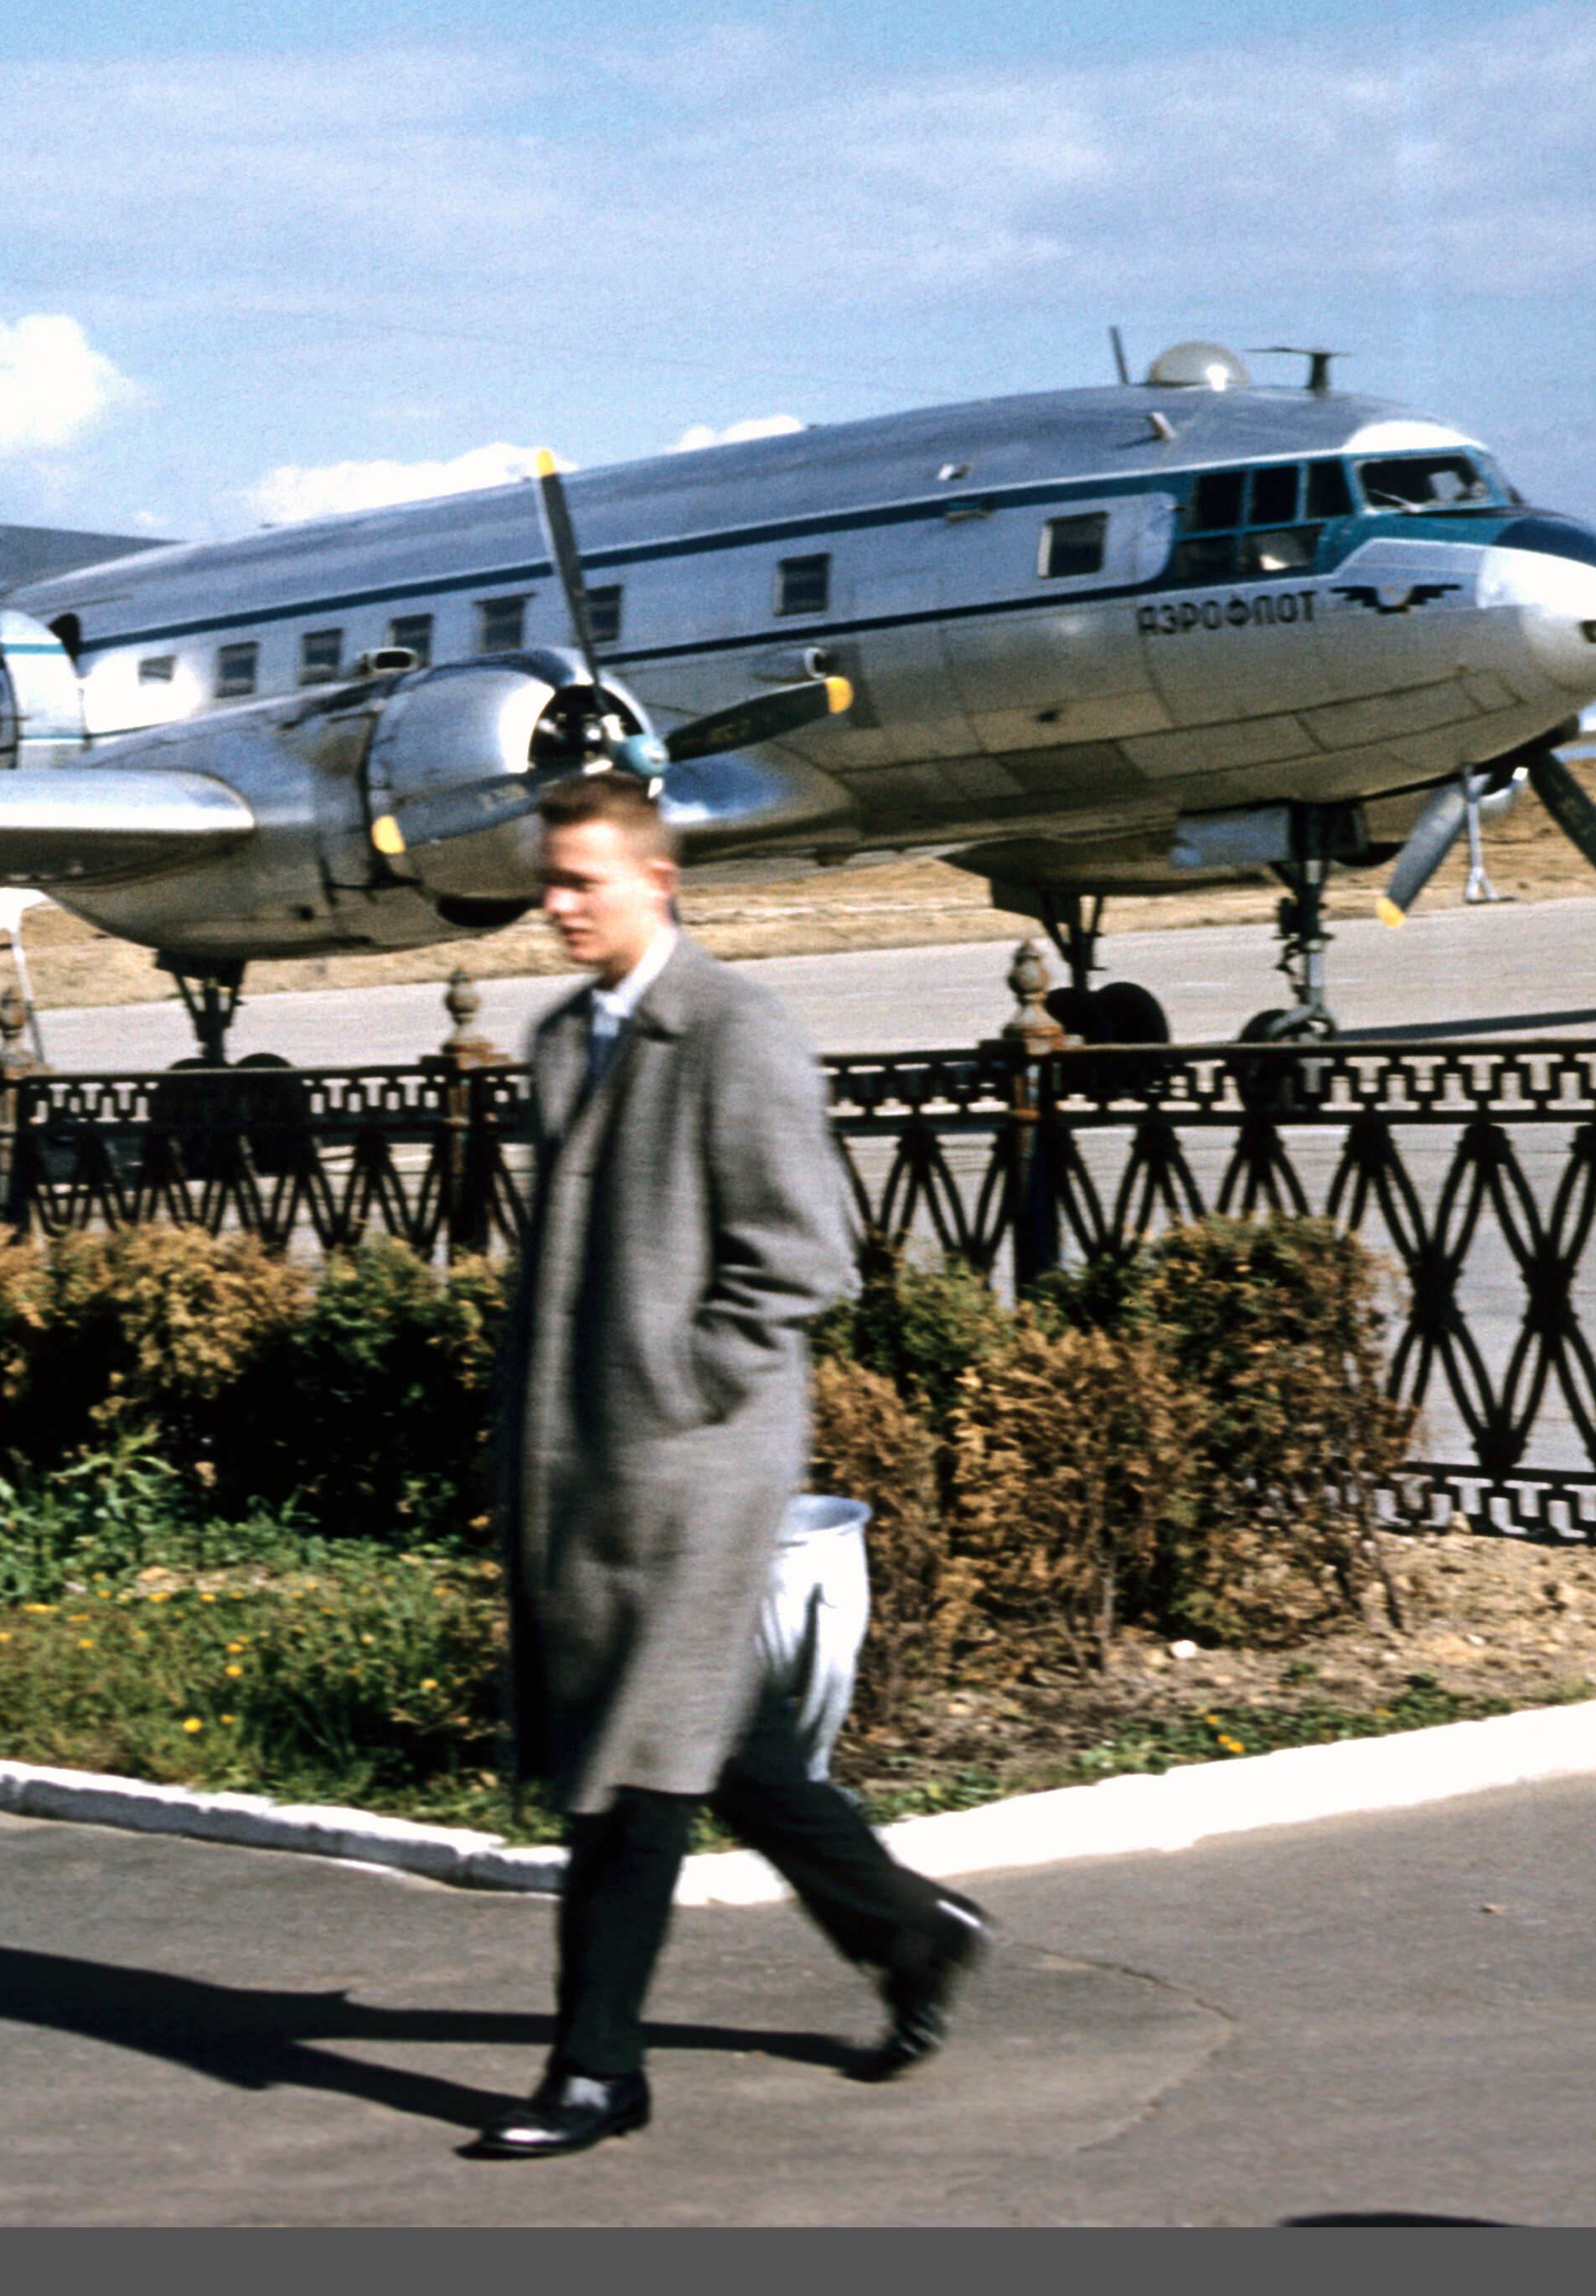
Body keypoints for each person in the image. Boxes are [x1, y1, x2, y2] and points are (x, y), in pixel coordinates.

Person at [467, 768, 987, 2163]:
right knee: (728, 1750)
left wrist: (677, 1383)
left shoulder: (737, 1032)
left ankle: (593, 2073)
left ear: (659, 879)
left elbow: (802, 1257)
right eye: (548, 878)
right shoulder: (565, 1038)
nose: (555, 903)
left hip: (693, 1469)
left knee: (628, 1775)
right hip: (585, 1469)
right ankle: (913, 1932)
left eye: (581, 878)